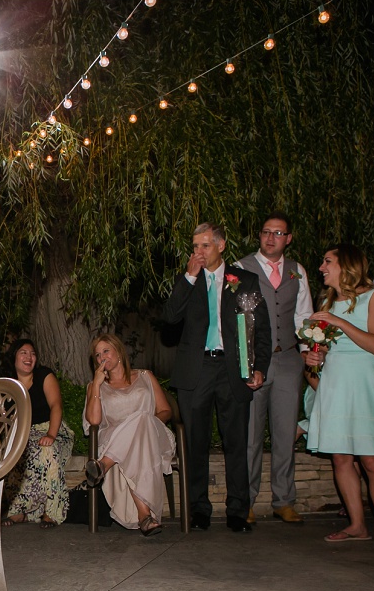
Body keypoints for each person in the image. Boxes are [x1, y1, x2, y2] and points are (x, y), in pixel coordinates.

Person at [163, 222, 272, 532]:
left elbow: (261, 330)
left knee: (236, 442)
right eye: (195, 246)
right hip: (196, 371)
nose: (199, 252)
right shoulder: (188, 281)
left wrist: (259, 367)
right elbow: (169, 317)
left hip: (232, 370)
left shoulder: (245, 281)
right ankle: (199, 509)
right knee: (195, 444)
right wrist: (189, 276)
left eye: (205, 246)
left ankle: (239, 510)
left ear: (221, 246)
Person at [304, 244, 374, 561]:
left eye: (327, 261)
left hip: (363, 387)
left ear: (346, 265)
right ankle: (357, 525)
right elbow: (321, 355)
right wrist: (314, 358)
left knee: (373, 462)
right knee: (341, 460)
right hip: (335, 386)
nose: (321, 267)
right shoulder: (327, 302)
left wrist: (339, 321)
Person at [233, 211, 313, 524]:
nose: (271, 238)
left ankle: (284, 501)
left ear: (288, 239)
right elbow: (236, 319)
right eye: (266, 232)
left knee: (284, 434)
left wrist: (308, 352)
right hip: (254, 362)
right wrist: (244, 363)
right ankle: (247, 501)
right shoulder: (240, 268)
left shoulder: (297, 271)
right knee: (251, 435)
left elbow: (304, 316)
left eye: (278, 233)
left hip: (289, 359)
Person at [82, 334, 176, 536]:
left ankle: (103, 465)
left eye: (106, 351)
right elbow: (94, 421)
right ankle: (144, 515)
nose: (102, 357)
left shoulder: (144, 376)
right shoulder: (95, 386)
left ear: (118, 351)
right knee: (134, 444)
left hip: (153, 436)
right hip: (116, 441)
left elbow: (165, 410)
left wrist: (146, 426)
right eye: (97, 355)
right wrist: (97, 386)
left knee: (141, 418)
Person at [2, 339, 74, 527]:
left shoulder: (44, 375)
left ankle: (52, 512)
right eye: (23, 353)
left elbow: (56, 406)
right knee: (16, 453)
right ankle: (19, 511)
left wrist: (51, 435)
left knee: (46, 452)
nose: (29, 357)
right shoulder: (7, 382)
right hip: (22, 434)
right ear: (14, 357)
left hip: (51, 428)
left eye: (32, 353)